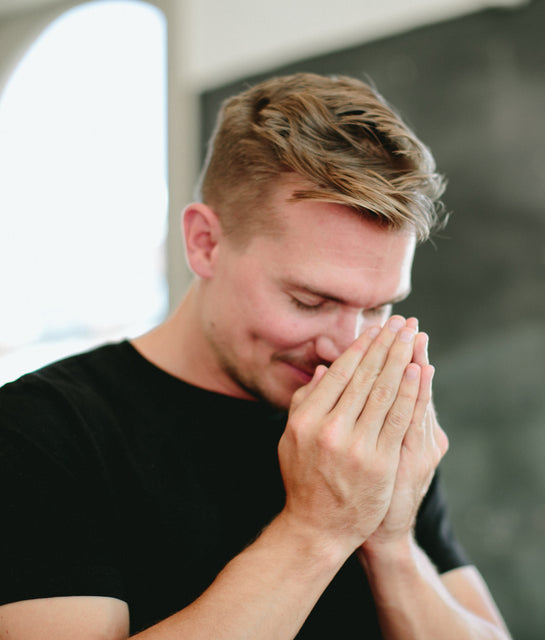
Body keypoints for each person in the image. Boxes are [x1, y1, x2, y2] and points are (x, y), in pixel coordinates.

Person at [0, 73, 510, 639]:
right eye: (310, 300)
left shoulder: (364, 429)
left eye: (378, 308)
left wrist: (390, 545)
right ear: (205, 243)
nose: (347, 348)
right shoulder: (41, 432)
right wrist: (317, 529)